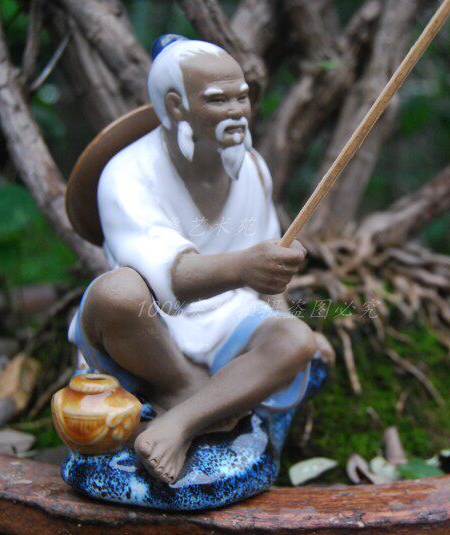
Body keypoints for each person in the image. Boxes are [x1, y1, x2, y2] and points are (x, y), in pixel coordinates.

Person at [69, 37, 332, 485]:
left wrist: (281, 312)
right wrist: (243, 267)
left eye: (242, 97)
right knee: (117, 294)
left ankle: (181, 421)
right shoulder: (128, 173)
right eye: (217, 99)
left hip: (228, 316)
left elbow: (266, 276)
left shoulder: (252, 168)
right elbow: (165, 277)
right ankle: (190, 393)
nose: (237, 111)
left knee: (296, 340)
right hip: (155, 322)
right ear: (175, 106)